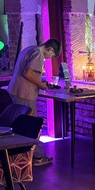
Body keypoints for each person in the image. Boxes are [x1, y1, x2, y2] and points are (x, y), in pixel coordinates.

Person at [7, 38, 61, 166]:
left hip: (16, 89)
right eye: (52, 55)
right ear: (50, 49)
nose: (49, 58)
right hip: (25, 93)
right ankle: (37, 157)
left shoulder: (29, 49)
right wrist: (42, 86)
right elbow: (28, 73)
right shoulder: (38, 54)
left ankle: (20, 156)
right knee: (33, 126)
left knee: (21, 124)